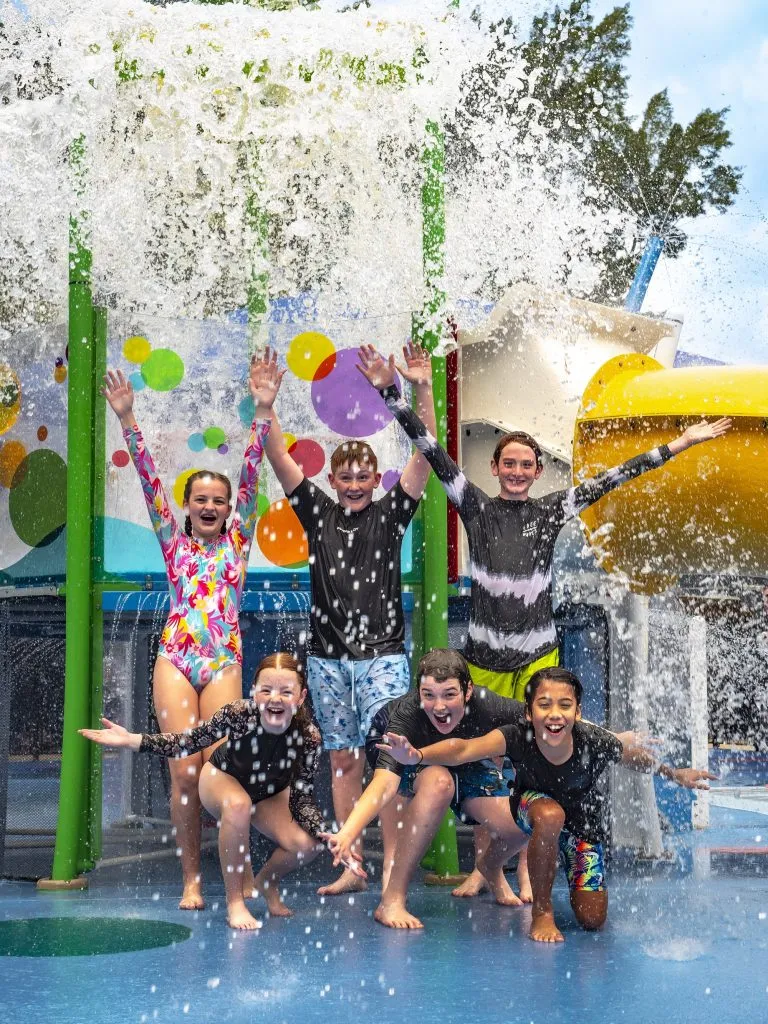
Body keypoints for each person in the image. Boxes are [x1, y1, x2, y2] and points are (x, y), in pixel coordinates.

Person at [357, 344, 730, 894]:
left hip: (537, 662)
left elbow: (617, 477)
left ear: (537, 472)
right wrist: (392, 391)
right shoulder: (475, 506)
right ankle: (491, 877)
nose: (516, 472)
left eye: (526, 465)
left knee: (531, 770)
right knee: (490, 771)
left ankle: (525, 875)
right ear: (494, 469)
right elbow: (428, 446)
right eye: (508, 464)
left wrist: (680, 444)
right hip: (482, 664)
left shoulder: (553, 509)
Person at [252, 343, 437, 896]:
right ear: (332, 480)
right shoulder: (317, 513)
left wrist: (418, 389)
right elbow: (279, 457)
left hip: (381, 656)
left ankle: (392, 874)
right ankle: (351, 865)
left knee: (387, 764)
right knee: (341, 762)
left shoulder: (392, 512)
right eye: (345, 476)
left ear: (376, 479)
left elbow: (425, 453)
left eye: (364, 476)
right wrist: (267, 404)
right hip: (329, 660)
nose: (355, 484)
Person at [102, 360, 280, 909]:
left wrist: (264, 410)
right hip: (178, 660)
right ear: (186, 508)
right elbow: (148, 478)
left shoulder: (237, 544)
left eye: (218, 501)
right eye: (200, 499)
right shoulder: (174, 545)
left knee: (222, 770)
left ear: (231, 511)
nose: (209, 506)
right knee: (184, 773)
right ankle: (192, 880)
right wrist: (128, 419)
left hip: (223, 661)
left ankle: (238, 874)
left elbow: (252, 473)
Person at [379, 665, 715, 942]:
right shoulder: (517, 736)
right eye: (544, 704)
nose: (555, 714)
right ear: (529, 712)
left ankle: (489, 864)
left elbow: (633, 757)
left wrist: (674, 774)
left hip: (582, 826)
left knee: (592, 918)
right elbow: (463, 749)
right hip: (530, 809)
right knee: (550, 814)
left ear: (578, 712)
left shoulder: (592, 741)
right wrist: (417, 755)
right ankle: (542, 913)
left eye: (564, 705)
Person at [80, 653, 340, 930]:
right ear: (254, 692)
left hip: (267, 794)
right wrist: (134, 740)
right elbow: (187, 742)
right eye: (266, 690)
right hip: (222, 779)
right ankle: (235, 904)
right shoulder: (240, 714)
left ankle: (267, 881)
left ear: (301, 697)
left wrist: (326, 832)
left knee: (308, 845)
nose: (275, 698)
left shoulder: (309, 736)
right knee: (238, 804)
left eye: (286, 692)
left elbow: (301, 797)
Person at [322, 648, 531, 930]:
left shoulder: (487, 704)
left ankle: (490, 865)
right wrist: (348, 832)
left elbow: (545, 719)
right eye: (428, 694)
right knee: (438, 782)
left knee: (521, 825)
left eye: (449, 694)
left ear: (468, 691)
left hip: (458, 756)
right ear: (418, 692)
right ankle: (391, 900)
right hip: (404, 753)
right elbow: (384, 784)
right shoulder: (406, 718)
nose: (439, 707)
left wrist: (603, 736)